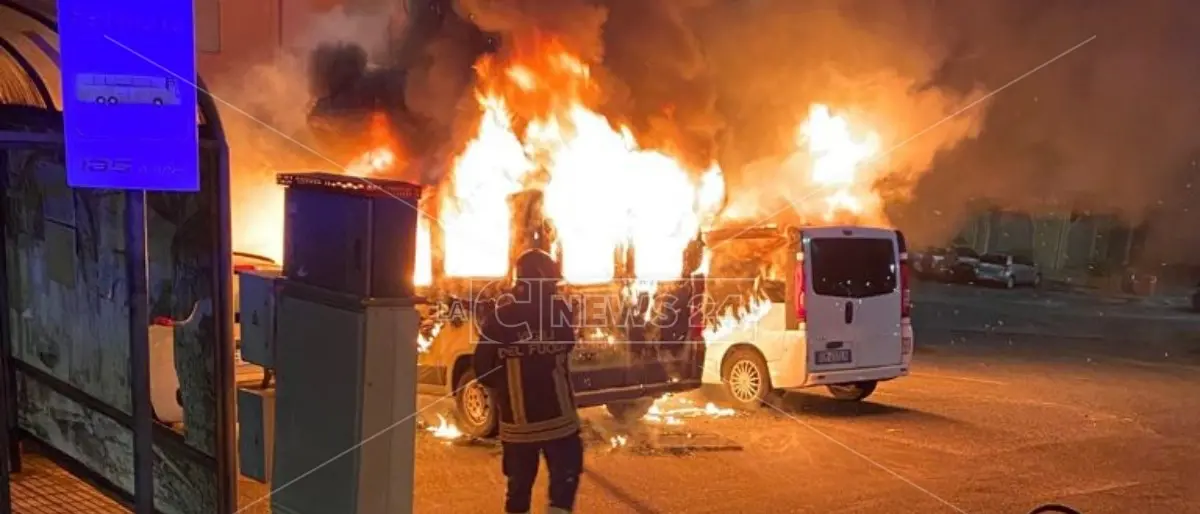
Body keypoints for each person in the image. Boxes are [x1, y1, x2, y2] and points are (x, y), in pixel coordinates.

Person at [473, 248, 583, 514]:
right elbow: (568, 346)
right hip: (560, 422)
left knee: (518, 491)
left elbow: (482, 368)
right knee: (563, 485)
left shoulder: (499, 318)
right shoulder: (559, 311)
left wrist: (508, 387)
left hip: (517, 425)